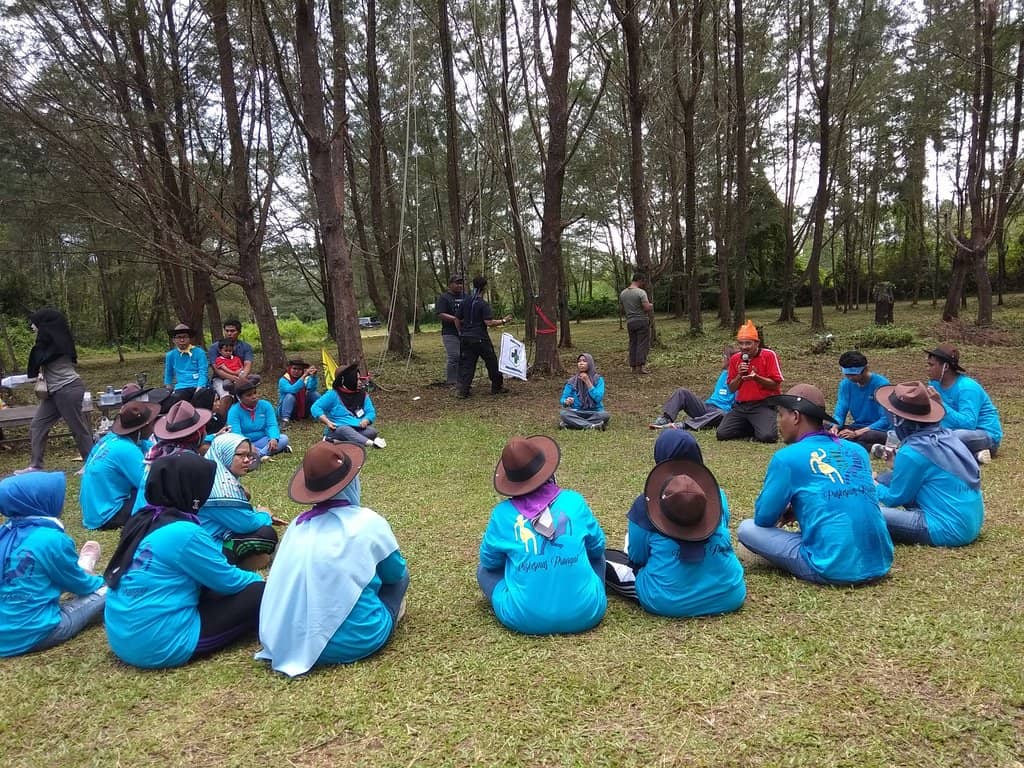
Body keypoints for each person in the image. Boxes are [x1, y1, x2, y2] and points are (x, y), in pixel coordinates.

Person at [255, 442, 409, 676]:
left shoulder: (297, 526)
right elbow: (396, 574)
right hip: (356, 640)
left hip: (285, 641)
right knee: (400, 578)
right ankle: (383, 616)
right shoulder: (367, 522)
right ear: (352, 480)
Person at [104, 452, 265, 669]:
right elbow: (231, 581)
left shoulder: (142, 519)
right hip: (160, 644)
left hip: (123, 636)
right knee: (260, 593)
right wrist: (266, 583)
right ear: (190, 488)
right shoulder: (184, 532)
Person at [736, 384, 894, 586]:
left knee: (747, 528)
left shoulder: (786, 458)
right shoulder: (857, 451)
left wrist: (787, 509)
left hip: (831, 567)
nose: (779, 422)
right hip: (881, 562)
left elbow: (764, 518)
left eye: (781, 415)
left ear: (795, 416)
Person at [604, 430, 746, 617]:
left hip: (668, 600)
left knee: (603, 558)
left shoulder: (644, 505)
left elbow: (637, 558)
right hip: (730, 593)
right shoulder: (717, 495)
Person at [477, 435, 607, 635]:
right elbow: (597, 548)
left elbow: (489, 563)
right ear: (548, 470)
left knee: (483, 571)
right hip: (588, 612)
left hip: (522, 618)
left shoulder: (502, 514)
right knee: (597, 557)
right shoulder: (574, 501)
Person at [0, 472, 105, 657]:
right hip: (33, 633)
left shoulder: (5, 533)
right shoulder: (52, 539)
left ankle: (82, 565)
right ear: (39, 501)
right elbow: (82, 586)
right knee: (110, 588)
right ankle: (85, 565)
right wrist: (103, 581)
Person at [873, 381, 984, 547]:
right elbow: (932, 471)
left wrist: (871, 484)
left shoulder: (912, 451)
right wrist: (897, 466)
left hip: (946, 529)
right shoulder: (947, 435)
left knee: (867, 513)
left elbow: (893, 499)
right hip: (970, 523)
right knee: (886, 478)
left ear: (899, 419)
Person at [16, 309, 94, 475]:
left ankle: (91, 462)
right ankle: (36, 465)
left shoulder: (56, 345)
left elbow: (39, 360)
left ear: (44, 325)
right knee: (38, 425)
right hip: (54, 392)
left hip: (68, 388)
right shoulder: (47, 344)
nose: (32, 326)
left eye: (34, 323)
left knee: (77, 427)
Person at [200, 432, 281, 569]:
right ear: (223, 453)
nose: (247, 460)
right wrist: (265, 514)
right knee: (267, 535)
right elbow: (247, 524)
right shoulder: (221, 489)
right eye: (240, 455)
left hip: (209, 538)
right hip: (208, 548)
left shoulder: (213, 475)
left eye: (249, 455)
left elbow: (235, 514)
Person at [79, 401, 161, 530]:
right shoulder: (126, 449)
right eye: (151, 424)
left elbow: (152, 448)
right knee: (161, 498)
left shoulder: (111, 439)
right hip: (108, 515)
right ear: (141, 429)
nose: (153, 427)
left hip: (94, 511)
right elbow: (148, 483)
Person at [131, 400, 213, 514]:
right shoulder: (187, 462)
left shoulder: (157, 451)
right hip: (161, 519)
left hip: (139, 516)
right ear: (199, 433)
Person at [925, 343, 1002, 463]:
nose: (927, 369)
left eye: (931, 365)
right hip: (948, 431)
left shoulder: (967, 387)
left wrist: (941, 404)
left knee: (954, 437)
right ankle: (974, 456)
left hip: (983, 434)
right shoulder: (934, 384)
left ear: (945, 367)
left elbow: (969, 424)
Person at [716, 320, 784, 443]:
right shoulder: (735, 359)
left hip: (764, 404)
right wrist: (740, 376)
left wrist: (756, 377)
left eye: (748, 343)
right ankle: (753, 425)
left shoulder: (769, 355)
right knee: (722, 433)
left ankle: (760, 425)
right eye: (741, 344)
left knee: (768, 437)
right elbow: (731, 388)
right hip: (741, 406)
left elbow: (776, 384)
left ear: (757, 343)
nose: (744, 347)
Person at [649, 347, 736, 430]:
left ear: (730, 360)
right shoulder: (724, 373)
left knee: (721, 414)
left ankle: (683, 425)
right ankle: (666, 418)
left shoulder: (739, 379)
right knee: (682, 392)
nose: (722, 359)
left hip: (721, 413)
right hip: (708, 407)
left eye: (724, 357)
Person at [455, 275, 513, 398]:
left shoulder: (465, 301)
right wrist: (504, 320)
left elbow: (456, 318)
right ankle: (497, 387)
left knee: (468, 364)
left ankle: (463, 390)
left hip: (465, 337)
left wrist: (461, 332)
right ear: (484, 288)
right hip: (480, 338)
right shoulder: (483, 304)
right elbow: (489, 323)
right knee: (491, 362)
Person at [312, 363, 387, 449]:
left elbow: (370, 411)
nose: (360, 382)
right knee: (345, 429)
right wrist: (327, 422)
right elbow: (315, 407)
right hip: (337, 429)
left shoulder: (363, 395)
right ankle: (372, 444)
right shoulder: (333, 394)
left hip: (356, 427)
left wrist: (366, 420)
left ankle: (335, 441)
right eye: (357, 379)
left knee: (372, 432)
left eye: (360, 379)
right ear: (348, 380)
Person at [830, 350, 891, 448]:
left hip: (877, 430)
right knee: (824, 427)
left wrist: (857, 433)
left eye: (853, 375)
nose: (850, 378)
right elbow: (841, 410)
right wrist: (835, 427)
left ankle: (853, 443)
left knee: (868, 436)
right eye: (847, 375)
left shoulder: (882, 385)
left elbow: (885, 420)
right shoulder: (845, 385)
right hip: (857, 427)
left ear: (865, 369)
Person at [226, 377, 290, 459]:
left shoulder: (266, 405)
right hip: (244, 443)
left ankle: (258, 455)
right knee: (238, 448)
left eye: (255, 393)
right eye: (249, 395)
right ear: (239, 398)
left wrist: (273, 438)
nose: (254, 397)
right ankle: (263, 453)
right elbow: (236, 434)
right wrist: (248, 445)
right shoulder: (234, 411)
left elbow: (272, 425)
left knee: (283, 438)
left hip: (263, 440)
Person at [558, 353, 610, 430]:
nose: (581, 363)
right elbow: (563, 399)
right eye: (579, 361)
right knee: (564, 414)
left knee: (604, 415)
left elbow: (598, 398)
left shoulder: (598, 380)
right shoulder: (572, 381)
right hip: (577, 412)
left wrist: (588, 382)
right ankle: (592, 426)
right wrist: (566, 402)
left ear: (590, 363)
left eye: (584, 361)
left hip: (594, 411)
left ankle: (571, 424)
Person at [163, 323, 210, 406]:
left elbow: (203, 372)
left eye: (184, 337)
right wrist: (168, 388)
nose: (182, 340)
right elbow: (168, 373)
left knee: (201, 398)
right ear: (174, 340)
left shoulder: (199, 352)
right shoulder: (170, 355)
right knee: (173, 402)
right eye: (179, 337)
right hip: (181, 387)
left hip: (198, 386)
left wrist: (199, 387)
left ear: (189, 338)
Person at [207, 318, 254, 394]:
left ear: (239, 332)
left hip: (241, 376)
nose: (229, 333)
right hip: (221, 378)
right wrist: (233, 378)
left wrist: (241, 377)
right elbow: (216, 369)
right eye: (227, 331)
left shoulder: (246, 347)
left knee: (249, 392)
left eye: (232, 331)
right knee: (226, 396)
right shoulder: (215, 347)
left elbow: (247, 365)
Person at [619, 273, 654, 374]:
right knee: (642, 343)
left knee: (633, 343)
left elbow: (621, 309)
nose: (643, 283)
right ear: (639, 280)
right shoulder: (641, 292)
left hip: (630, 321)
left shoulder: (623, 293)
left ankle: (633, 366)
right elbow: (646, 307)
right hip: (641, 320)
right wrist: (650, 305)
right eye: (643, 281)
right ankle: (640, 366)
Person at [436, 274, 466, 386]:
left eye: (461, 283)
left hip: (464, 331)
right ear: (450, 285)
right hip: (450, 332)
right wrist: (455, 319)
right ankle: (452, 381)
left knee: (464, 356)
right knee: (454, 356)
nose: (459, 285)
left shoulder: (465, 296)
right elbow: (440, 314)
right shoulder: (444, 298)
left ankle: (462, 380)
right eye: (457, 283)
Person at [277, 359, 320, 424]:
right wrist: (304, 375)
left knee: (314, 394)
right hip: (288, 409)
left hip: (303, 408)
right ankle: (285, 420)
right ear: (289, 368)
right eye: (294, 368)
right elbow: (292, 390)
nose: (296, 371)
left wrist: (313, 377)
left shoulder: (305, 378)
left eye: (299, 369)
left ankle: (320, 415)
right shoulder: (283, 380)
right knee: (290, 396)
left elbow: (312, 389)